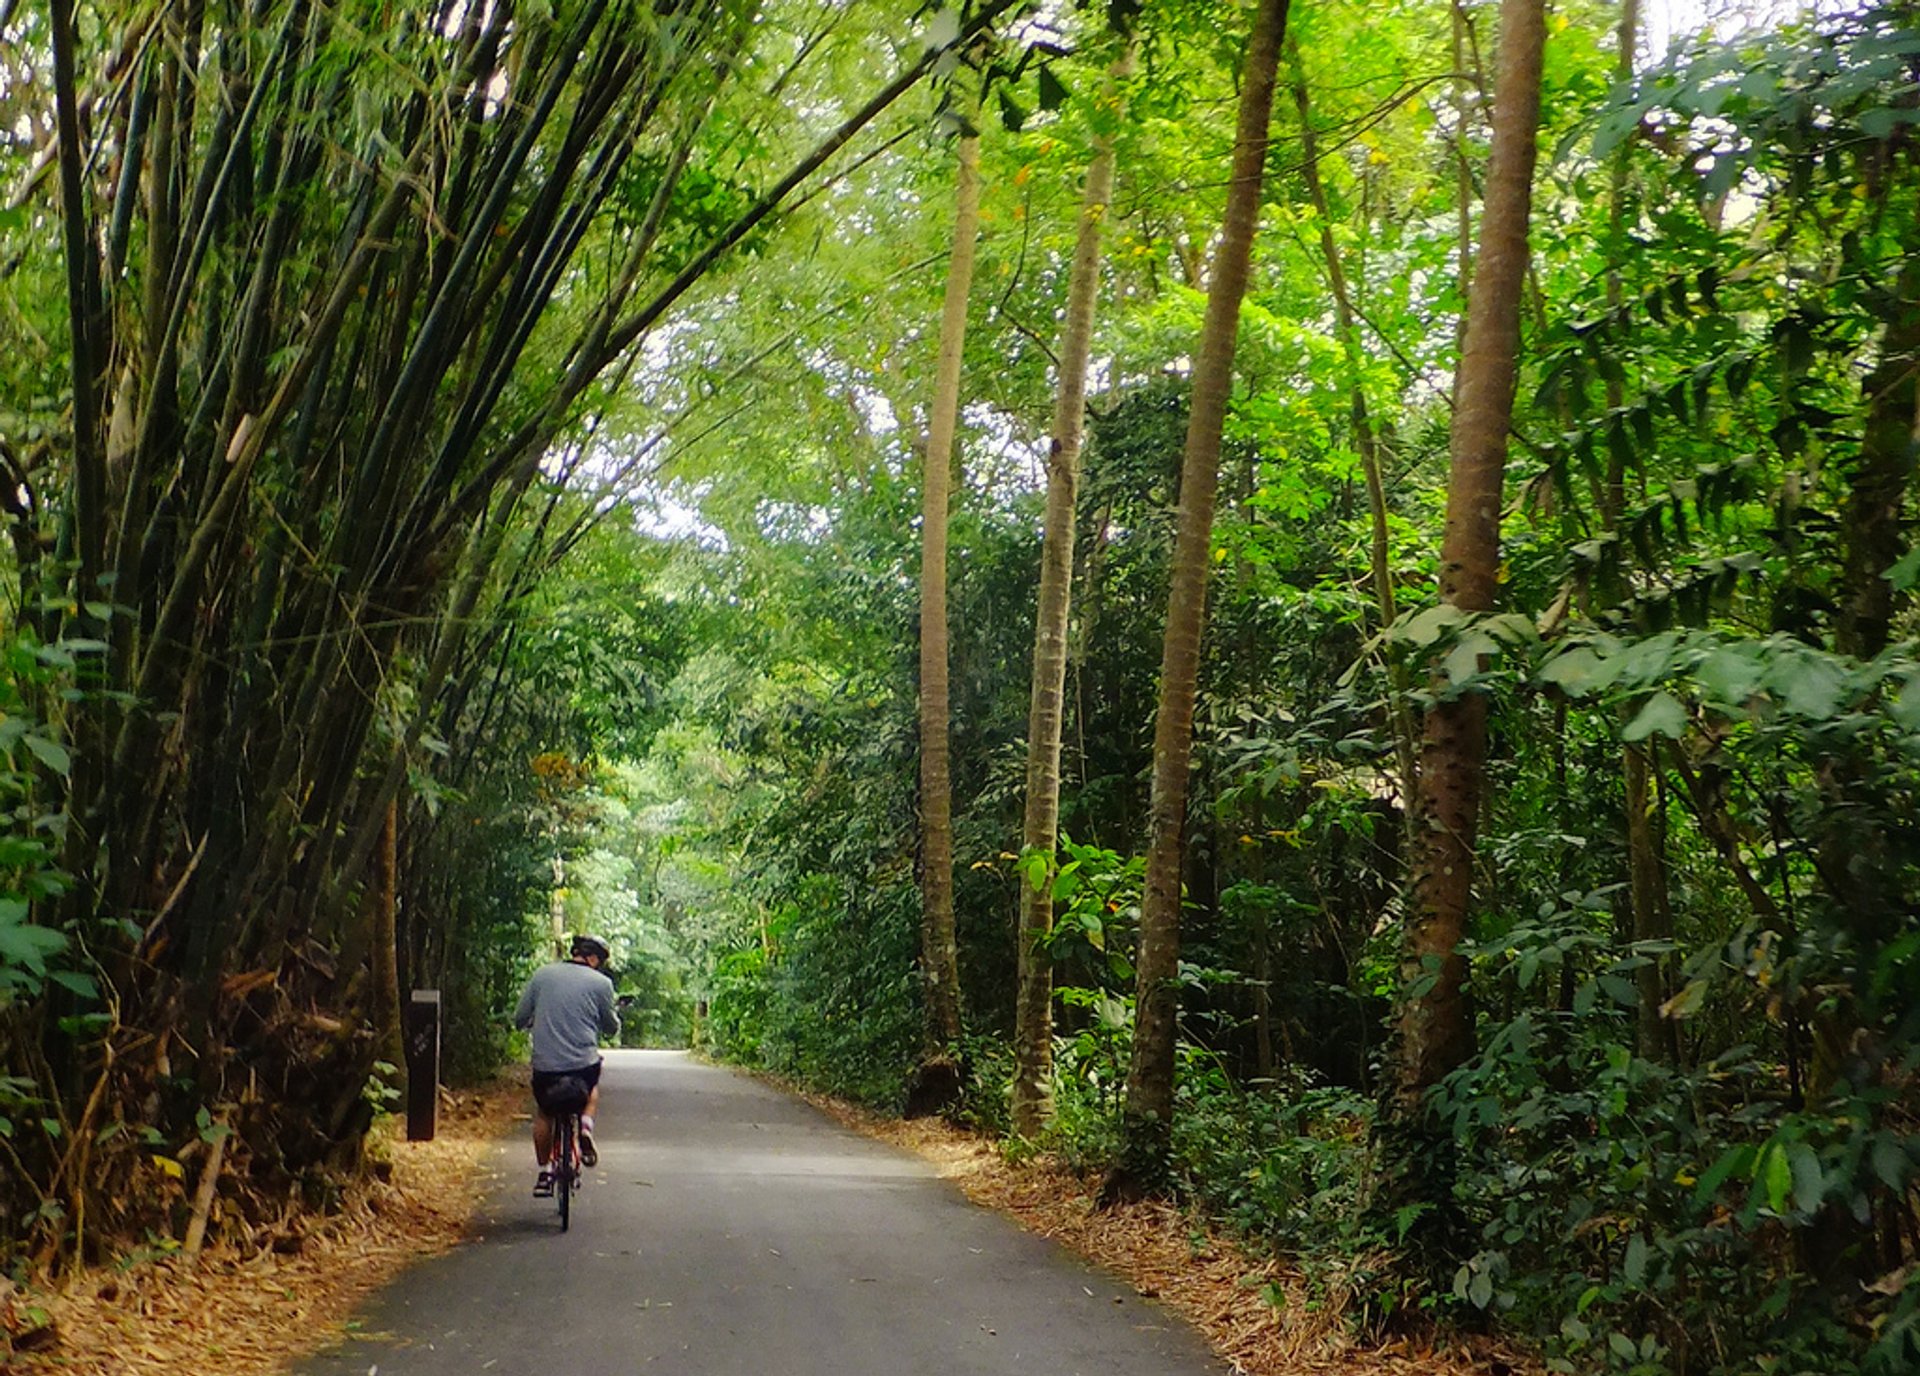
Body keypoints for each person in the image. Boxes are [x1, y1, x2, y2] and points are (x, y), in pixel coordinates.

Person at [513, 933, 620, 1195]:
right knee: (592, 1088)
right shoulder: (602, 984)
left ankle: (545, 1170)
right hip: (582, 1066)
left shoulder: (542, 975)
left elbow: (519, 1018)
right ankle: (585, 1125)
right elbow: (610, 1027)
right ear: (593, 958)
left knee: (545, 1113)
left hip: (546, 1066)